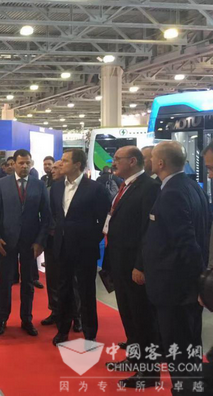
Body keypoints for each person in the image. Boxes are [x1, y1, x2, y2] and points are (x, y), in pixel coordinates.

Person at [143, 141, 210, 394]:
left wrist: (196, 282)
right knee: (190, 345)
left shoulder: (171, 192)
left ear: (160, 163)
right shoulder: (191, 186)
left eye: (151, 158)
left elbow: (185, 241)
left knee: (179, 348)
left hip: (175, 288)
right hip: (186, 287)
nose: (148, 161)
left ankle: (184, 391)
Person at [106, 146, 160, 388]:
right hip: (120, 263)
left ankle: (149, 372)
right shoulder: (126, 186)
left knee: (142, 318)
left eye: (117, 158)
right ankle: (134, 359)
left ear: (132, 161)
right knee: (128, 315)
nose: (113, 162)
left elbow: (148, 231)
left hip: (134, 266)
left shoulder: (149, 187)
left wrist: (141, 265)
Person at [51, 149, 110, 345]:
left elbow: (104, 219)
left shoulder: (95, 189)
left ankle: (90, 333)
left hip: (85, 249)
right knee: (63, 290)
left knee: (86, 292)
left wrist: (91, 239)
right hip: (62, 247)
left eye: (65, 161)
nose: (60, 164)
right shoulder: (56, 188)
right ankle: (62, 330)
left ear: (77, 164)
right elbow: (56, 216)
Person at [0, 149, 50, 337]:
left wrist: (40, 241)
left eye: (27, 163)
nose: (24, 166)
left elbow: (46, 216)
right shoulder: (2, 184)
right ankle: (2, 318)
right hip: (6, 241)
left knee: (28, 282)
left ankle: (26, 319)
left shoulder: (39, 185)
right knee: (5, 281)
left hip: (30, 242)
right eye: (21, 163)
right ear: (13, 164)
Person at [41, 160, 81, 331]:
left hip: (70, 241)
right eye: (53, 168)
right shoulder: (50, 190)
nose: (53, 170)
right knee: (52, 277)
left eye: (57, 167)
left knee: (72, 280)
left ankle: (76, 315)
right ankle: (55, 310)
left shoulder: (77, 189)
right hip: (51, 240)